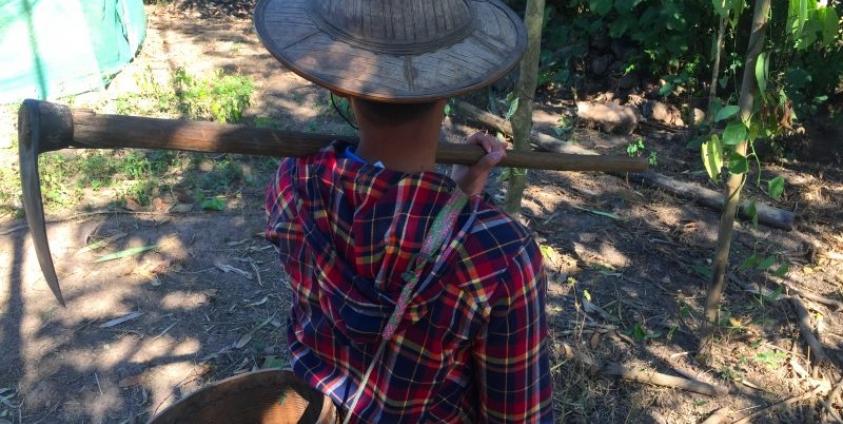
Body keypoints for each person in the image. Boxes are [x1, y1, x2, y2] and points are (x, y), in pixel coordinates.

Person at [256, 0, 553, 422]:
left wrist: (458, 197)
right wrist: (456, 207)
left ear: (341, 87)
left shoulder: (292, 185)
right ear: (451, 82)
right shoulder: (501, 254)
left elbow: (383, 239)